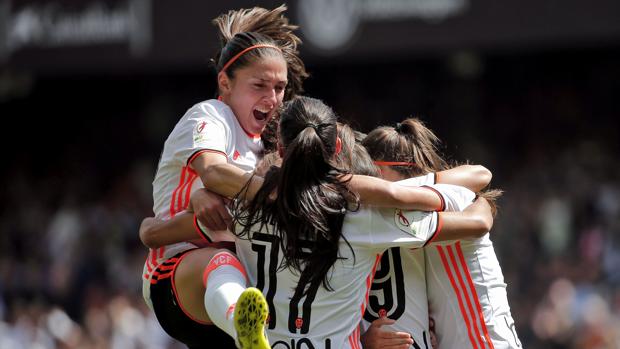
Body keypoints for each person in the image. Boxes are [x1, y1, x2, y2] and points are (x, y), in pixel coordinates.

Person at [194, 96, 496, 348]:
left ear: (281, 148)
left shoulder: (246, 200)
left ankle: (235, 315)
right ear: (337, 149)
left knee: (218, 261)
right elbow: (472, 218)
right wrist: (479, 206)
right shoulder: (365, 216)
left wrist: (194, 200)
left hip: (273, 341)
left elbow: (172, 227)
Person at [141, 5, 308, 348]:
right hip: (177, 275)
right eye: (259, 85)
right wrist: (283, 195)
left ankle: (249, 327)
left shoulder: (270, 141)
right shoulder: (211, 116)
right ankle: (242, 322)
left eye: (280, 87)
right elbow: (215, 172)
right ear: (225, 83)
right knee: (222, 262)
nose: (273, 98)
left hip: (246, 282)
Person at [362, 118, 522, 349]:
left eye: (367, 172)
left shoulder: (443, 200)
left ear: (378, 169)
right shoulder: (410, 207)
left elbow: (480, 199)